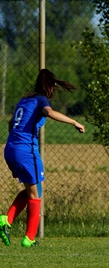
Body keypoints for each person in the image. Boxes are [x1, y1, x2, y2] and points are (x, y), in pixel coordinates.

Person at [1, 69, 86, 248]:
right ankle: (29, 238)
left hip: (10, 148)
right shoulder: (41, 100)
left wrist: (17, 144)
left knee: (33, 189)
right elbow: (49, 112)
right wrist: (74, 122)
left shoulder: (24, 100)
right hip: (26, 151)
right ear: (51, 85)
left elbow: (10, 123)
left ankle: (6, 220)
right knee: (36, 194)